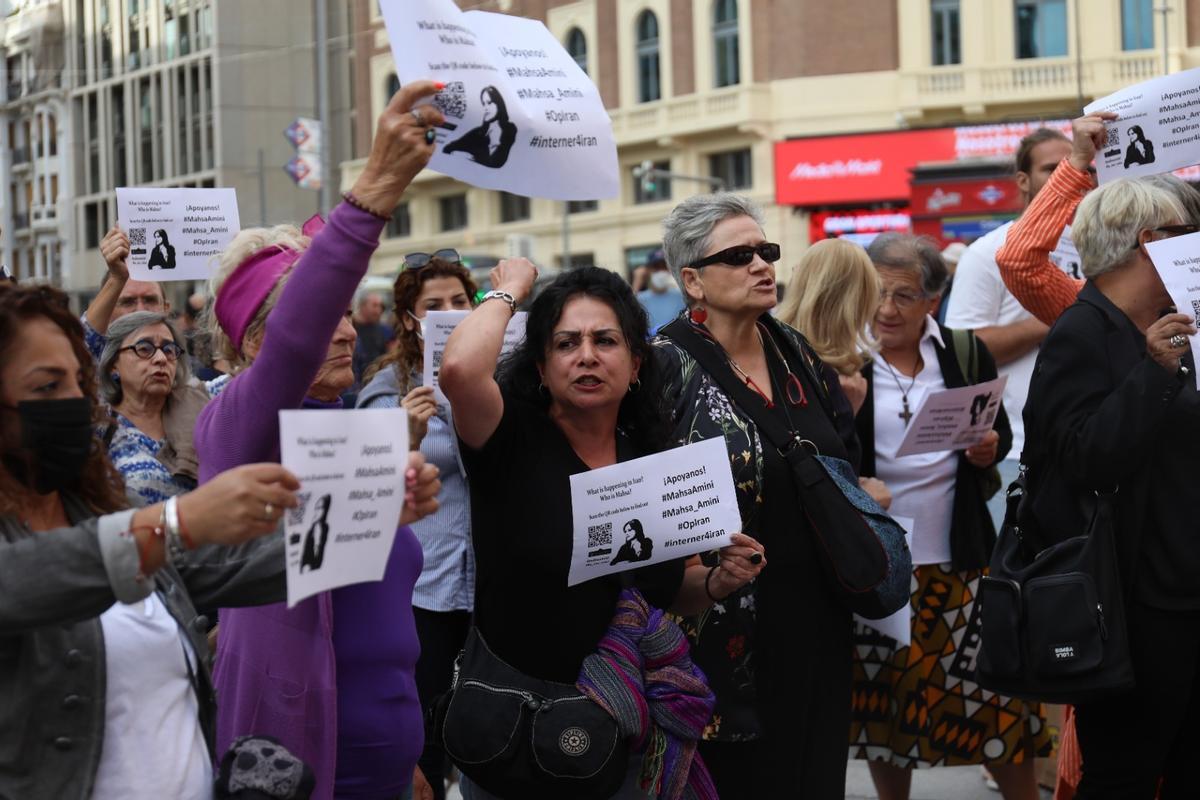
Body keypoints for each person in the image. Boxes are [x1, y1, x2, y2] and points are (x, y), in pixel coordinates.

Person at [196, 79, 448, 800]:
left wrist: (408, 759)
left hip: (387, 755)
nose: (341, 328)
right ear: (249, 344)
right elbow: (293, 345)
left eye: (347, 311)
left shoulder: (352, 431)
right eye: (320, 314)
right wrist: (373, 190)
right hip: (299, 752)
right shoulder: (239, 427)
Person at [440, 261, 766, 799]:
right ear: (541, 367)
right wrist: (510, 290)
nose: (586, 355)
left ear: (636, 362)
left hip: (624, 736)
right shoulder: (508, 438)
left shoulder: (654, 460)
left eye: (605, 340)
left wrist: (715, 582)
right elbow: (457, 370)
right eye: (566, 343)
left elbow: (671, 590)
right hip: (517, 731)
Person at [0, 280, 314, 799]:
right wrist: (177, 521)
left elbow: (227, 565)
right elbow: (28, 578)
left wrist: (362, 515)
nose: (76, 400)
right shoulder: (127, 527)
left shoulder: (100, 509)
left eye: (78, 382)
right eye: (46, 387)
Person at [654, 193, 864, 799]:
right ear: (692, 279)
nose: (761, 266)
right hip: (722, 624)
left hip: (818, 612)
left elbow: (840, 459)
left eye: (765, 251)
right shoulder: (663, 367)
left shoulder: (794, 349)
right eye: (739, 255)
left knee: (816, 773)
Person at [848, 233, 1048, 800]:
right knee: (886, 706)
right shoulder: (844, 360)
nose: (887, 309)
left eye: (905, 295)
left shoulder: (964, 352)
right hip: (881, 562)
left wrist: (987, 449)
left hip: (963, 557)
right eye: (878, 293)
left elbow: (996, 437)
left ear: (932, 301)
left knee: (996, 703)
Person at [1023, 177, 1200, 798]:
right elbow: (1081, 460)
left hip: (1181, 586)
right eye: (1188, 236)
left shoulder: (1160, 322)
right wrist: (1153, 375)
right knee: (1123, 771)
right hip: (1134, 600)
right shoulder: (1085, 331)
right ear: (1152, 243)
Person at [356, 254, 477, 800]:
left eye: (460, 302)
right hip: (426, 588)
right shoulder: (389, 389)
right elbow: (364, 493)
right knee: (425, 728)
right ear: (409, 319)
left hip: (490, 585)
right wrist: (404, 434)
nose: (450, 313)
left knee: (486, 727)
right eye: (435, 306)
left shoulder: (499, 373)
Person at [944, 128, 1075, 525]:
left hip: (1086, 449)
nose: (1066, 176)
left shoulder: (1103, 248)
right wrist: (1058, 317)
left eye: (1074, 166)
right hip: (1012, 452)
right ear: (1023, 180)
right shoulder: (988, 253)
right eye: (1052, 168)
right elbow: (961, 350)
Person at [98, 310, 210, 507]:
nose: (160, 358)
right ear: (113, 364)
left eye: (169, 350)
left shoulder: (198, 404)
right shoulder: (100, 425)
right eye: (144, 348)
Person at [81, 224, 171, 359]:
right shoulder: (95, 374)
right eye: (128, 302)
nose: (140, 310)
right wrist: (117, 278)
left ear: (166, 308)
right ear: (108, 311)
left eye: (150, 300)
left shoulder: (184, 369)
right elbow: (80, 349)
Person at [443, 86, 517, 168]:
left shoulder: (510, 130)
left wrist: (472, 157)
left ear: (499, 103)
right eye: (483, 104)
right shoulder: (478, 132)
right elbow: (448, 148)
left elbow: (497, 163)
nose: (485, 108)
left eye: (489, 103)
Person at [635, 248, 685, 334]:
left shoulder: (681, 296)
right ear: (647, 271)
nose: (661, 271)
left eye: (664, 267)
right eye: (656, 267)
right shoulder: (639, 299)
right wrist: (637, 280)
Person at [351, 290, 393, 389]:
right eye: (374, 306)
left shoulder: (382, 330)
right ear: (362, 306)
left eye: (380, 306)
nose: (378, 310)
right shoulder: (351, 328)